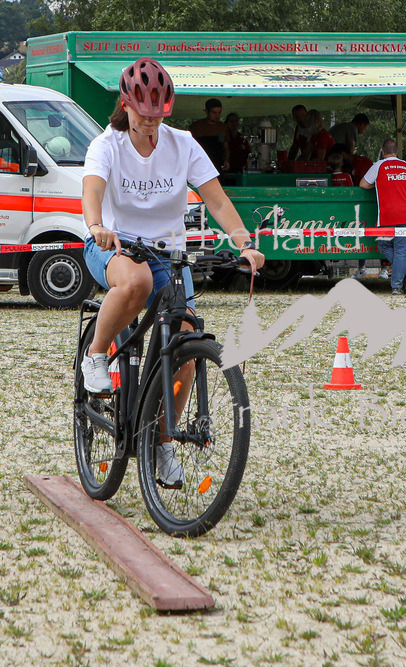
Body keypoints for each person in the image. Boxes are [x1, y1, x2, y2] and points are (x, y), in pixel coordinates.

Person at [81, 58, 264, 488]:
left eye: (157, 116)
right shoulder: (106, 145)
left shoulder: (182, 144)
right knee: (136, 282)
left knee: (184, 340)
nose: (150, 125)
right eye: (142, 116)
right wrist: (96, 227)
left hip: (168, 253)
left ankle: (161, 440)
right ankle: (96, 355)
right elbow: (92, 192)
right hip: (113, 245)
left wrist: (244, 242)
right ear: (125, 105)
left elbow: (216, 201)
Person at [360, 138, 406, 295]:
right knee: (400, 250)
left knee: (384, 246)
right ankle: (403, 276)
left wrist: (378, 184)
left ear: (383, 152)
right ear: (396, 151)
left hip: (387, 215)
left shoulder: (379, 165)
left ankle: (397, 285)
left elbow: (363, 184)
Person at [188, 98, 231, 171]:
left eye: (219, 112)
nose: (217, 115)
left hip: (217, 164)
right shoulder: (196, 126)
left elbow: (225, 147)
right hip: (200, 164)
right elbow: (190, 147)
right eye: (214, 112)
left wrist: (226, 160)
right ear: (207, 111)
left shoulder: (223, 127)